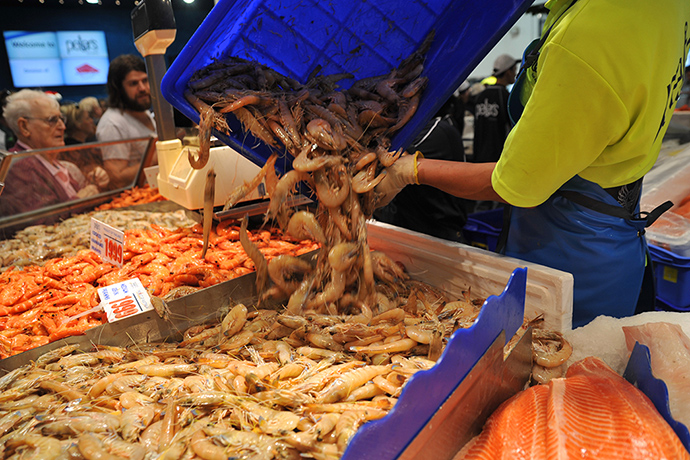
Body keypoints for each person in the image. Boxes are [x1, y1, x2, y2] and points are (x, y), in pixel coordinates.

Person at [375, 0, 690, 328]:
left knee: (555, 360)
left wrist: (409, 171)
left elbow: (512, 184)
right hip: (617, 238)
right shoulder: (668, 6)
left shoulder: (587, 41)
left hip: (572, 256)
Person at [374, 108, 472, 242]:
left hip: (437, 237)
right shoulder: (393, 133)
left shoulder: (436, 131)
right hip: (400, 231)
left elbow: (396, 159)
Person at [0, 89, 100, 219]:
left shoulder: (46, 158)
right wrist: (81, 199)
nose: (62, 127)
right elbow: (42, 221)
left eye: (61, 119)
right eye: (52, 120)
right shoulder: (20, 166)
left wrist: (93, 182)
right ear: (24, 127)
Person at [96, 54, 157, 188]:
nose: (142, 88)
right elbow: (116, 178)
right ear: (119, 89)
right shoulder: (112, 123)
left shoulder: (144, 112)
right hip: (136, 200)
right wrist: (158, 157)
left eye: (145, 80)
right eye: (133, 83)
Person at [471, 54, 519, 212]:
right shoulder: (505, 96)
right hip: (498, 158)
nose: (515, 73)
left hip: (479, 155)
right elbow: (512, 129)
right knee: (497, 204)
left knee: (481, 201)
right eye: (514, 70)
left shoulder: (479, 97)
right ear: (507, 72)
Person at [59, 103, 110, 191]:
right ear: (78, 124)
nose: (92, 121)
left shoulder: (85, 147)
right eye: (88, 118)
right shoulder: (73, 152)